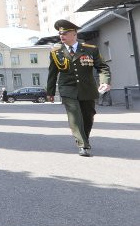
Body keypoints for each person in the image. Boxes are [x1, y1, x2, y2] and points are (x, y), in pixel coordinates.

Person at [46, 19, 111, 157]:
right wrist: (50, 92)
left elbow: (103, 67)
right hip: (67, 89)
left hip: (87, 88)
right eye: (60, 34)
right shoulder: (56, 52)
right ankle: (83, 145)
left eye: (65, 33)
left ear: (74, 34)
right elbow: (52, 73)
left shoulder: (90, 49)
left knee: (88, 117)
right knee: (74, 115)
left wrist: (105, 81)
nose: (61, 36)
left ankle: (84, 138)